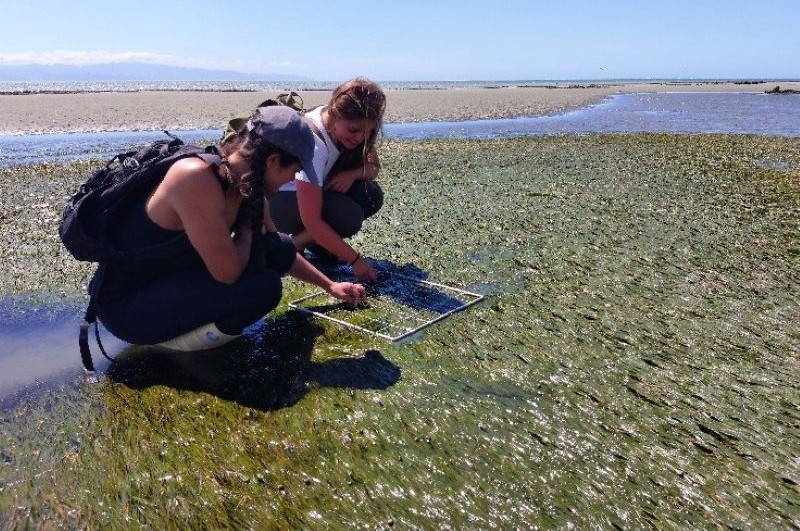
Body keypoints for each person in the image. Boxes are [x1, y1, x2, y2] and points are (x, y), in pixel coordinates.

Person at [93, 106, 366, 351]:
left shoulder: (245, 180)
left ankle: (187, 326)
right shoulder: (196, 178)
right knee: (263, 289)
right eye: (292, 171)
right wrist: (248, 227)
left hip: (168, 278)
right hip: (129, 306)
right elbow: (228, 274)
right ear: (272, 161)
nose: (289, 181)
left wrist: (330, 286)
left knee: (277, 246)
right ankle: (175, 346)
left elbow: (279, 248)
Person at [267, 77, 386, 282]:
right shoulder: (314, 143)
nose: (359, 138)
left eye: (367, 132)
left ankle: (316, 244)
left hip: (311, 194)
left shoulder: (350, 127)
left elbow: (374, 167)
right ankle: (290, 245)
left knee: (371, 195)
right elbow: (312, 220)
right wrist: (355, 260)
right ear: (334, 113)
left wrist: (352, 174)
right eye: (354, 130)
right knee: (348, 216)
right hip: (277, 204)